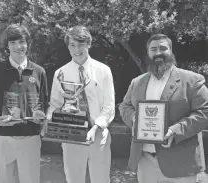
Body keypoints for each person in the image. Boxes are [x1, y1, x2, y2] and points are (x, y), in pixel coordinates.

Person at [119, 33, 208, 183]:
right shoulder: (137, 82)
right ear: (147, 53)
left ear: (171, 51)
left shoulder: (192, 80)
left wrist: (176, 130)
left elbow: (204, 111)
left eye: (163, 48)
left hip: (180, 163)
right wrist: (136, 119)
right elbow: (124, 106)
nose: (158, 53)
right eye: (153, 49)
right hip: (145, 161)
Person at [46, 26, 115, 183]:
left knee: (101, 179)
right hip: (71, 137)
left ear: (88, 44)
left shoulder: (103, 70)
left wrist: (96, 128)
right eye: (72, 45)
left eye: (80, 44)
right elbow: (55, 104)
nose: (76, 49)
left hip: (98, 136)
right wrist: (49, 121)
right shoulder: (60, 73)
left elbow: (109, 106)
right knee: (73, 179)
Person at [0, 24, 48, 183]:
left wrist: (42, 118)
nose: (18, 47)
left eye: (21, 42)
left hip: (30, 137)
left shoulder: (39, 71)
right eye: (12, 43)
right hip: (2, 138)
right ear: (7, 46)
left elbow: (45, 103)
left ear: (28, 44)